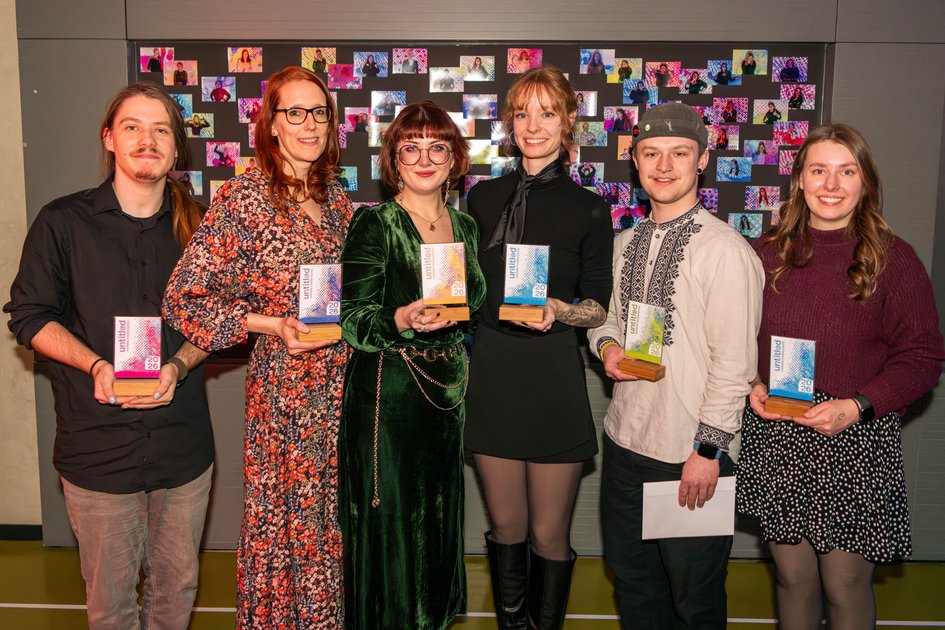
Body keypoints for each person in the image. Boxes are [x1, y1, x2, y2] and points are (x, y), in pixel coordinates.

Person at [4, 82, 213, 629]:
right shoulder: (62, 222)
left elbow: (222, 317)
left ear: (175, 148)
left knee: (176, 593)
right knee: (111, 605)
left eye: (161, 129)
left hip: (182, 450)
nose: (148, 139)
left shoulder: (205, 228)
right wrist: (96, 365)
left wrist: (179, 363)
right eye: (133, 127)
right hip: (97, 450)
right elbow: (28, 315)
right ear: (109, 139)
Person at [163, 66, 353, 627]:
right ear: (270, 125)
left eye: (318, 112)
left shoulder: (338, 198)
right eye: (293, 112)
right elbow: (183, 299)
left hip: (344, 391)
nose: (309, 124)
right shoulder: (246, 198)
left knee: (330, 526)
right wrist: (269, 324)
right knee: (288, 529)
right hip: (286, 395)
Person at [737, 124, 945, 629]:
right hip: (780, 436)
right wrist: (751, 383)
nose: (831, 184)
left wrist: (857, 405)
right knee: (791, 580)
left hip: (856, 437)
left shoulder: (894, 260)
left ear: (865, 182)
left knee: (844, 584)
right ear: (800, 182)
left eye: (846, 171)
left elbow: (924, 355)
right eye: (819, 170)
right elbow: (736, 337)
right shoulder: (765, 255)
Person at [588, 102, 763, 628]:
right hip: (624, 446)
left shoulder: (725, 251)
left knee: (695, 599)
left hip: (690, 454)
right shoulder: (623, 245)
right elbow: (604, 319)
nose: (664, 166)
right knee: (634, 585)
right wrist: (607, 348)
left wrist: (708, 451)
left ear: (702, 160)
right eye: (651, 153)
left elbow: (735, 365)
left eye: (679, 153)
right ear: (635, 163)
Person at [465, 67, 613, 630]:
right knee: (507, 528)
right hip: (494, 372)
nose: (533, 125)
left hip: (553, 374)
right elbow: (465, 286)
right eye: (523, 112)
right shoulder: (480, 199)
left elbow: (598, 307)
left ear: (568, 122)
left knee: (550, 533)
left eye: (547, 113)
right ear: (509, 122)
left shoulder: (589, 208)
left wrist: (559, 310)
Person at [338, 101, 485, 629]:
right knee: (396, 531)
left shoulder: (465, 227)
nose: (425, 159)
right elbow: (351, 318)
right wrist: (399, 316)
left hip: (446, 403)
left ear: (454, 159)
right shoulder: (374, 223)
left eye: (437, 147)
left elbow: (474, 307)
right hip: (388, 400)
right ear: (393, 160)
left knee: (438, 524)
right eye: (411, 148)